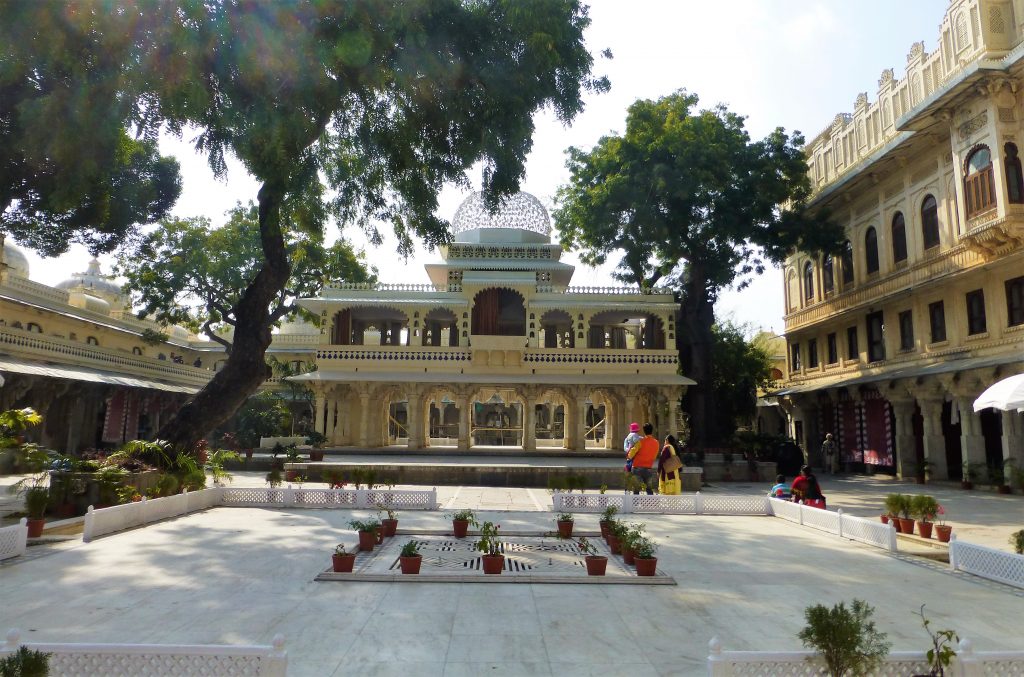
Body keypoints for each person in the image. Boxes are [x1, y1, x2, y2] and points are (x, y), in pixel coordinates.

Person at [627, 422, 660, 495]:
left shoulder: (641, 441)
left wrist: (629, 456)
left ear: (644, 431)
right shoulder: (656, 443)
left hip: (637, 467)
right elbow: (654, 456)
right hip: (648, 467)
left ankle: (634, 505)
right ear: (652, 430)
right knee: (649, 489)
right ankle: (650, 504)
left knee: (636, 489)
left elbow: (632, 452)